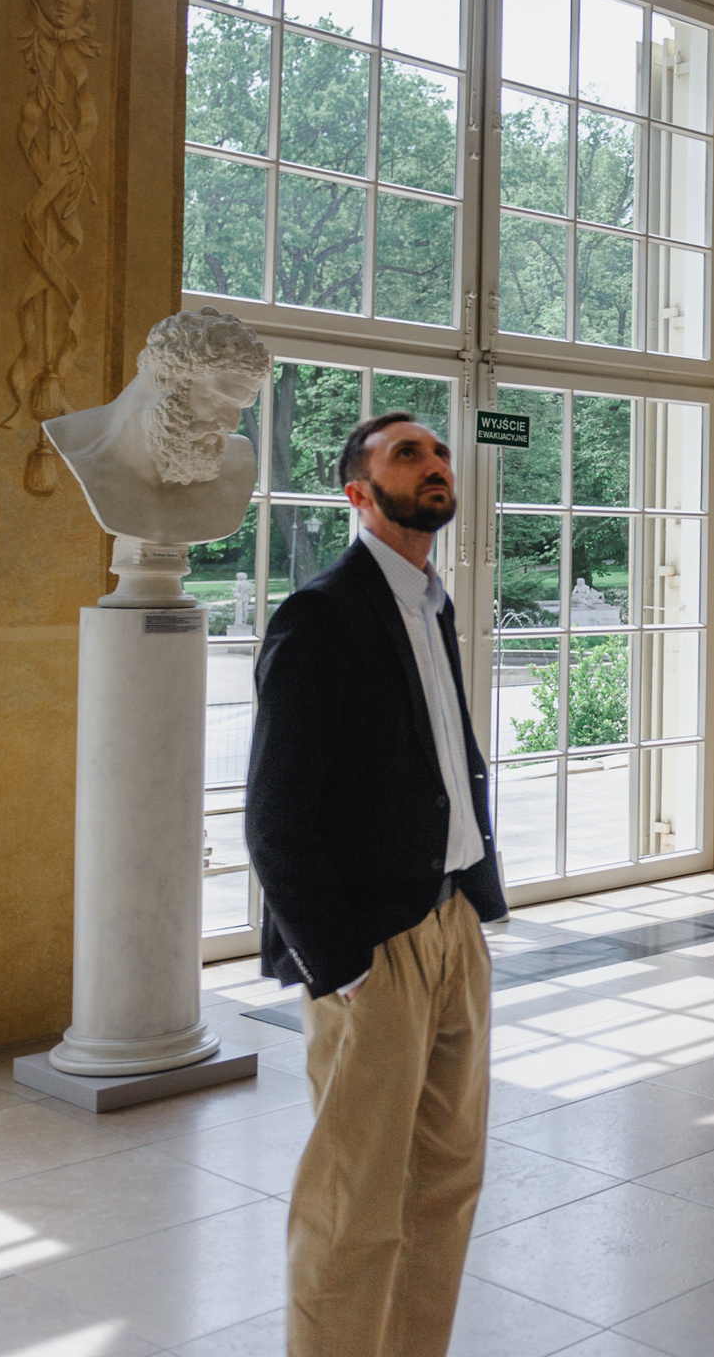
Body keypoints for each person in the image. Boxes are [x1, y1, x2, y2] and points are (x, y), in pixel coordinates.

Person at [246, 412, 508, 1357]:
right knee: (354, 1201)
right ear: (358, 494)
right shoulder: (320, 615)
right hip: (373, 946)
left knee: (445, 1179)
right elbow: (275, 818)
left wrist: (475, 901)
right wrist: (341, 965)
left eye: (439, 452)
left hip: (450, 924)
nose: (436, 464)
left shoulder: (433, 601)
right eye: (410, 455)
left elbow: (446, 758)